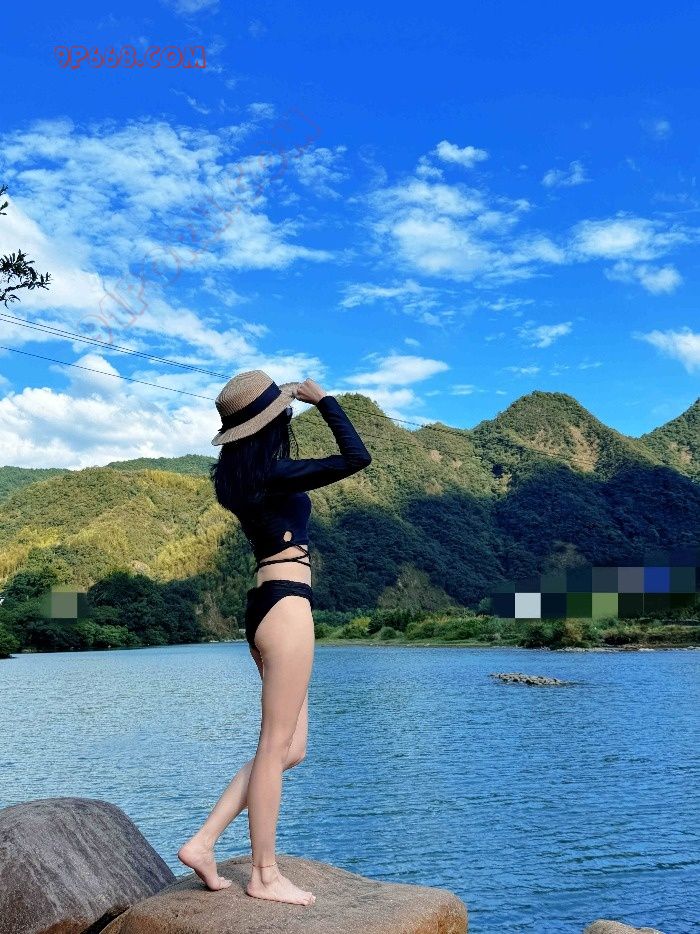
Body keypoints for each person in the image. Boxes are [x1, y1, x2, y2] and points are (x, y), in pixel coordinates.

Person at [177, 369, 372, 906]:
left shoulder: (236, 478)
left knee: (290, 749)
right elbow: (356, 458)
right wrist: (324, 401)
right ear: (269, 423)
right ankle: (264, 874)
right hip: (286, 607)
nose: (287, 416)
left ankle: (203, 842)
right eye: (282, 413)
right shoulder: (273, 474)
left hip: (267, 604)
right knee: (272, 747)